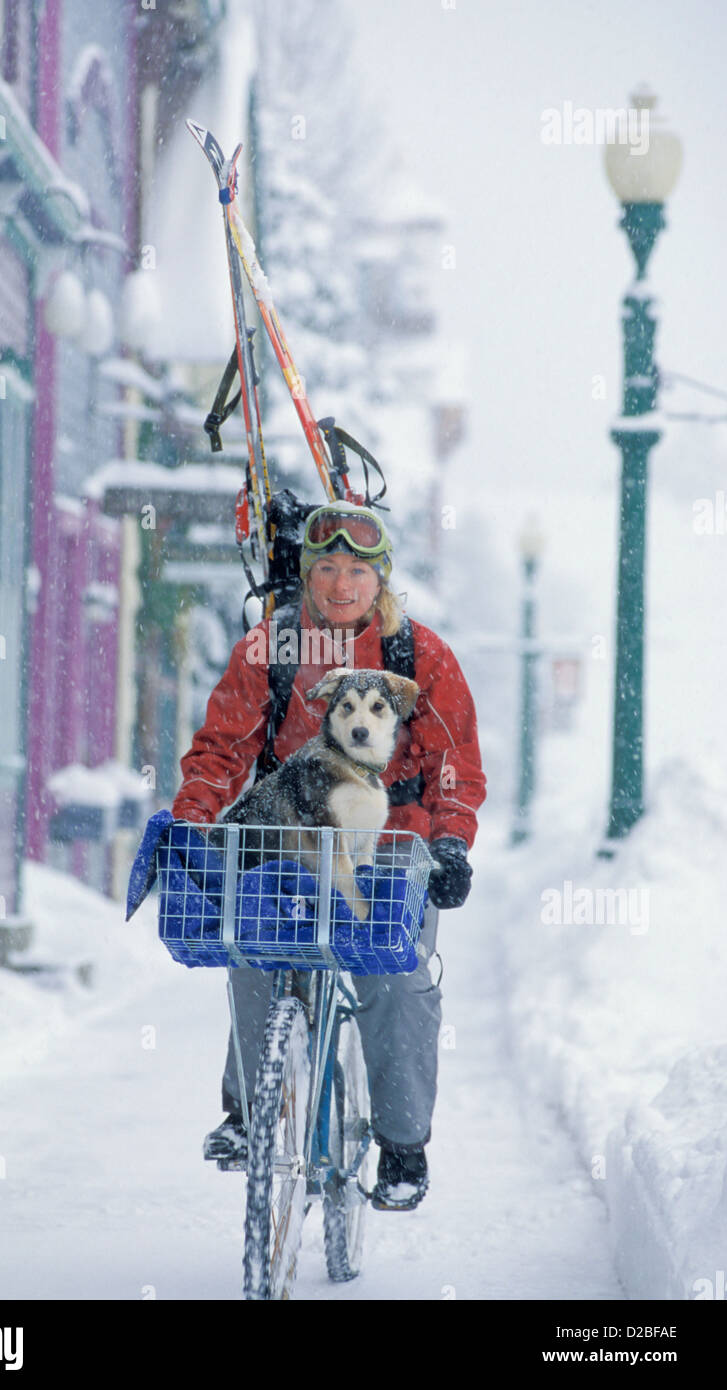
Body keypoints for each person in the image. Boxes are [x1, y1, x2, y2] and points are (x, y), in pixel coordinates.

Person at [171, 502, 486, 1209]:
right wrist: (192, 821)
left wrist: (449, 842)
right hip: (291, 838)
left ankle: (401, 1145)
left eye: (357, 571)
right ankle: (250, 1114)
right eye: (327, 570)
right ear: (307, 576)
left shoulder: (417, 656)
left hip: (389, 849)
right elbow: (223, 747)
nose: (341, 585)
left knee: (391, 977)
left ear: (381, 580)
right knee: (251, 948)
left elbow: (454, 765)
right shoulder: (272, 646)